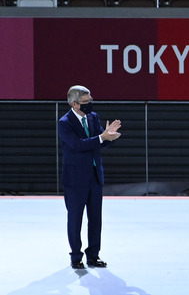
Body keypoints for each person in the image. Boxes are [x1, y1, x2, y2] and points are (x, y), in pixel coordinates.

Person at [58, 85, 121, 270]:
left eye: (91, 100)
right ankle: (76, 256)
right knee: (75, 218)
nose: (90, 104)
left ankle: (93, 255)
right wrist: (102, 137)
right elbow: (78, 145)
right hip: (75, 179)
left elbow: (97, 144)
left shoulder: (93, 118)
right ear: (75, 104)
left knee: (95, 218)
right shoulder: (65, 122)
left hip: (94, 177)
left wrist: (110, 138)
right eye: (86, 102)